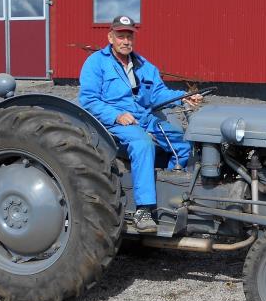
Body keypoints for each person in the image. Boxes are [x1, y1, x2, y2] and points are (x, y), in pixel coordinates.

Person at [79, 15, 203, 233]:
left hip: (144, 118)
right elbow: (88, 99)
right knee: (143, 144)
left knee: (183, 144)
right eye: (121, 36)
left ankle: (173, 199)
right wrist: (116, 115)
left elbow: (158, 94)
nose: (126, 41)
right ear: (110, 37)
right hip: (113, 123)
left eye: (129, 36)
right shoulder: (96, 63)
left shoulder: (144, 65)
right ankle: (143, 209)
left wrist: (183, 96)